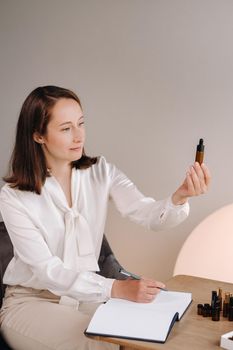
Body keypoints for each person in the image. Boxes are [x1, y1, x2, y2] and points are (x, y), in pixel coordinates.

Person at [0, 86, 211, 350]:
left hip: (88, 296)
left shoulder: (100, 171)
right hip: (33, 302)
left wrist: (179, 197)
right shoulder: (13, 196)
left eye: (81, 123)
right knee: (101, 344)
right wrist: (116, 289)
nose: (79, 136)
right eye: (66, 129)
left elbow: (147, 213)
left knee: (152, 333)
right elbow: (46, 271)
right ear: (38, 135)